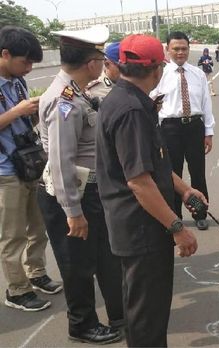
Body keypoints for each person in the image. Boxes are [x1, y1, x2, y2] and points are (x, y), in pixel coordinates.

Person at [96, 33, 204, 347]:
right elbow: (139, 182)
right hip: (142, 228)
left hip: (134, 226)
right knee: (148, 313)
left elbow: (153, 164)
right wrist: (177, 226)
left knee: (140, 308)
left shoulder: (126, 100)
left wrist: (185, 190)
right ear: (157, 68)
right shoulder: (131, 111)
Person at [37, 25, 124, 344]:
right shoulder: (65, 101)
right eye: (100, 58)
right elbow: (60, 162)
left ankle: (117, 313)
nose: (103, 64)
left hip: (87, 191)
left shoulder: (76, 92)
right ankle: (82, 324)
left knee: (101, 256)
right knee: (77, 264)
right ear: (91, 63)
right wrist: (73, 212)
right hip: (72, 195)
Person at [0, 26, 62, 313]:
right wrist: (17, 111)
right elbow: (12, 119)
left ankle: (36, 273)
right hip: (5, 171)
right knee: (13, 235)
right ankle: (17, 290)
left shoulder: (17, 83)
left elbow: (25, 125)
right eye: (24, 62)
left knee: (38, 226)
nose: (28, 69)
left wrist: (36, 111)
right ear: (5, 54)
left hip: (30, 163)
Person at [152, 31, 215, 230]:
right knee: (173, 174)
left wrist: (208, 132)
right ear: (167, 50)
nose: (180, 53)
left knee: (198, 172)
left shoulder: (197, 74)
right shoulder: (160, 75)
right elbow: (151, 103)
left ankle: (200, 213)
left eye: (184, 49)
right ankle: (175, 216)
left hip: (194, 127)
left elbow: (206, 104)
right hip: (170, 128)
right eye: (176, 49)